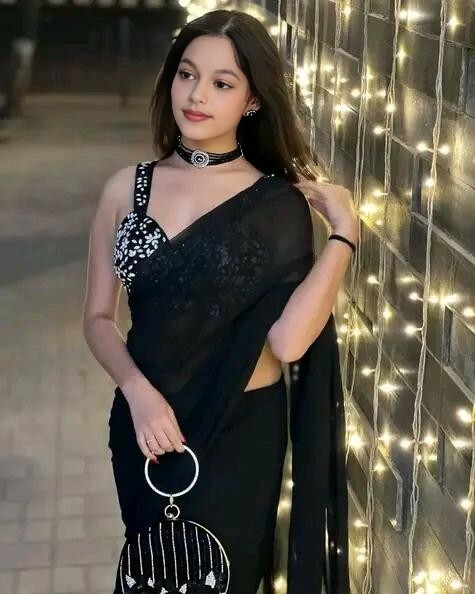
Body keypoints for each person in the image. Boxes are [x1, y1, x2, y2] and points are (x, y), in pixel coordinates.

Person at [82, 8, 357, 594]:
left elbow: (288, 342)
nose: (197, 95)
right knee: (149, 575)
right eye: (187, 74)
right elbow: (98, 318)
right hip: (147, 431)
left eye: (222, 83)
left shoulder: (276, 204)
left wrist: (344, 234)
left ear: (252, 100)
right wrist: (137, 393)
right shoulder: (125, 189)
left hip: (239, 434)